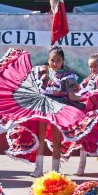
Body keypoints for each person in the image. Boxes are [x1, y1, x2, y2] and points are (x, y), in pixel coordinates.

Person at [30, 46, 83, 177]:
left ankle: (55, 171)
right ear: (48, 60)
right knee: (40, 138)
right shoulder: (41, 72)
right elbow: (32, 86)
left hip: (60, 107)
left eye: (58, 60)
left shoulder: (67, 76)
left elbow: (71, 96)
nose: (55, 63)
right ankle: (38, 169)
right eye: (52, 60)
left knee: (56, 140)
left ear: (63, 61)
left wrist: (85, 99)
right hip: (43, 106)